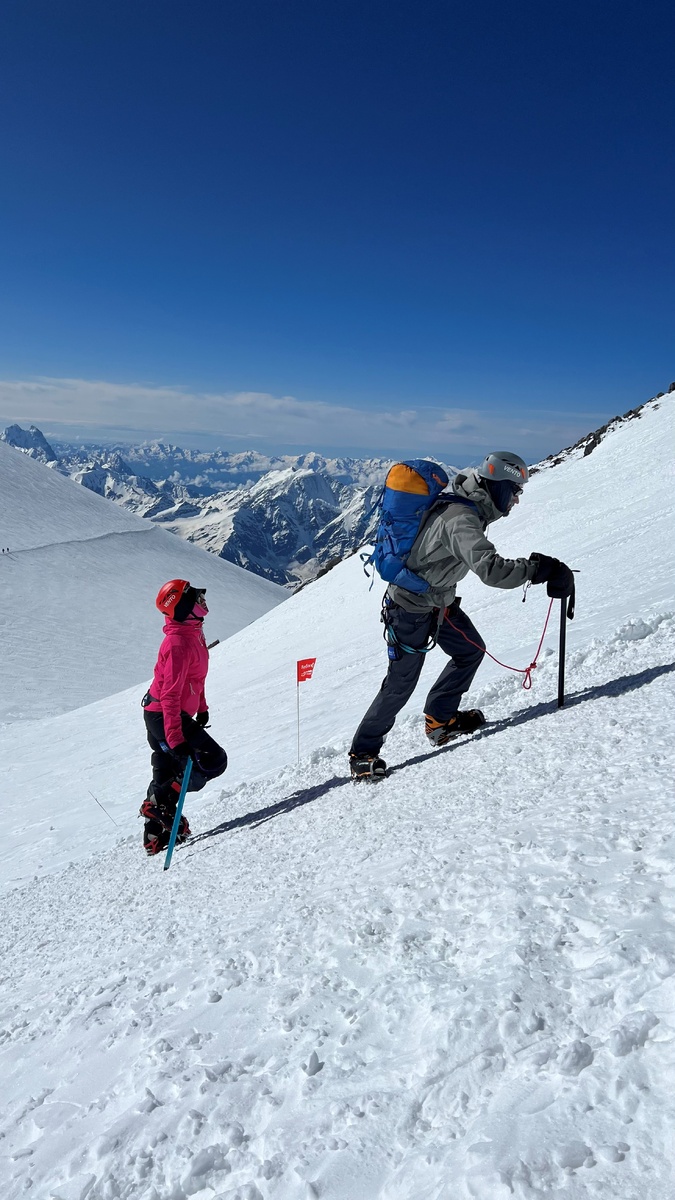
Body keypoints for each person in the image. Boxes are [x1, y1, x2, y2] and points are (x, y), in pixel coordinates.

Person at [349, 451, 574, 780]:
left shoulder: (468, 509)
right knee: (400, 684)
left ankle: (440, 721)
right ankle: (363, 753)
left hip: (439, 602)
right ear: (497, 487)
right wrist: (538, 569)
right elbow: (491, 570)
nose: (516, 500)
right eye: (515, 491)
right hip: (410, 609)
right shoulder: (461, 518)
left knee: (470, 651)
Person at [140, 579, 228, 854]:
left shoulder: (193, 632)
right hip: (164, 714)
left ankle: (155, 838)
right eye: (196, 599)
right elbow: (169, 695)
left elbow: (195, 679)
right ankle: (156, 806)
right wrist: (176, 736)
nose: (203, 601)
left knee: (167, 771)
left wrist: (201, 706)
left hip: (165, 713)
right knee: (212, 761)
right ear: (184, 609)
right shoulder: (178, 643)